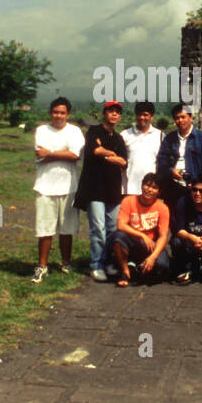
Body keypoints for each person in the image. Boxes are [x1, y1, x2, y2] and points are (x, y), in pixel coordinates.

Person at [32, 96, 85, 282]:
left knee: (66, 229)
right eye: (55, 112)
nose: (58, 116)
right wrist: (63, 154)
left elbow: (75, 155)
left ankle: (66, 263)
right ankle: (42, 266)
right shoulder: (41, 131)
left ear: (68, 114)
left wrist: (51, 153)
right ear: (50, 112)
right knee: (45, 229)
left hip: (69, 186)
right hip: (45, 186)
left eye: (62, 113)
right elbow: (40, 155)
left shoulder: (75, 131)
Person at [73, 101, 127, 282]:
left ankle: (110, 261)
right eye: (111, 111)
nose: (114, 115)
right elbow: (94, 151)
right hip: (94, 189)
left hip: (113, 190)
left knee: (112, 229)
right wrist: (111, 155)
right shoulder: (93, 131)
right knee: (98, 228)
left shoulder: (119, 138)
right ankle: (96, 265)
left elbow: (123, 162)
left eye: (117, 112)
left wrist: (106, 153)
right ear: (104, 114)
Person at [110, 172, 170, 287]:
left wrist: (153, 257)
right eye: (147, 185)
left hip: (150, 245)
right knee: (118, 236)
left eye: (154, 188)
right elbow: (121, 225)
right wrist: (142, 235)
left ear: (159, 192)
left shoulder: (162, 208)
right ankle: (125, 271)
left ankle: (136, 266)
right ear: (142, 185)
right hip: (133, 241)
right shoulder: (129, 201)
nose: (149, 190)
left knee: (162, 267)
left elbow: (163, 236)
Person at [155, 102, 202, 210]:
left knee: (192, 220)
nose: (180, 120)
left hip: (194, 187)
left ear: (191, 118)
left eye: (183, 117)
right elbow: (162, 160)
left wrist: (198, 184)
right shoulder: (169, 138)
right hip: (173, 185)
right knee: (173, 219)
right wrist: (171, 171)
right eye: (177, 118)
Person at [121, 101, 163, 198]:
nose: (142, 117)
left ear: (152, 116)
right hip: (129, 187)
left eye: (145, 115)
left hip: (151, 189)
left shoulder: (160, 135)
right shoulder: (125, 134)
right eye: (139, 114)